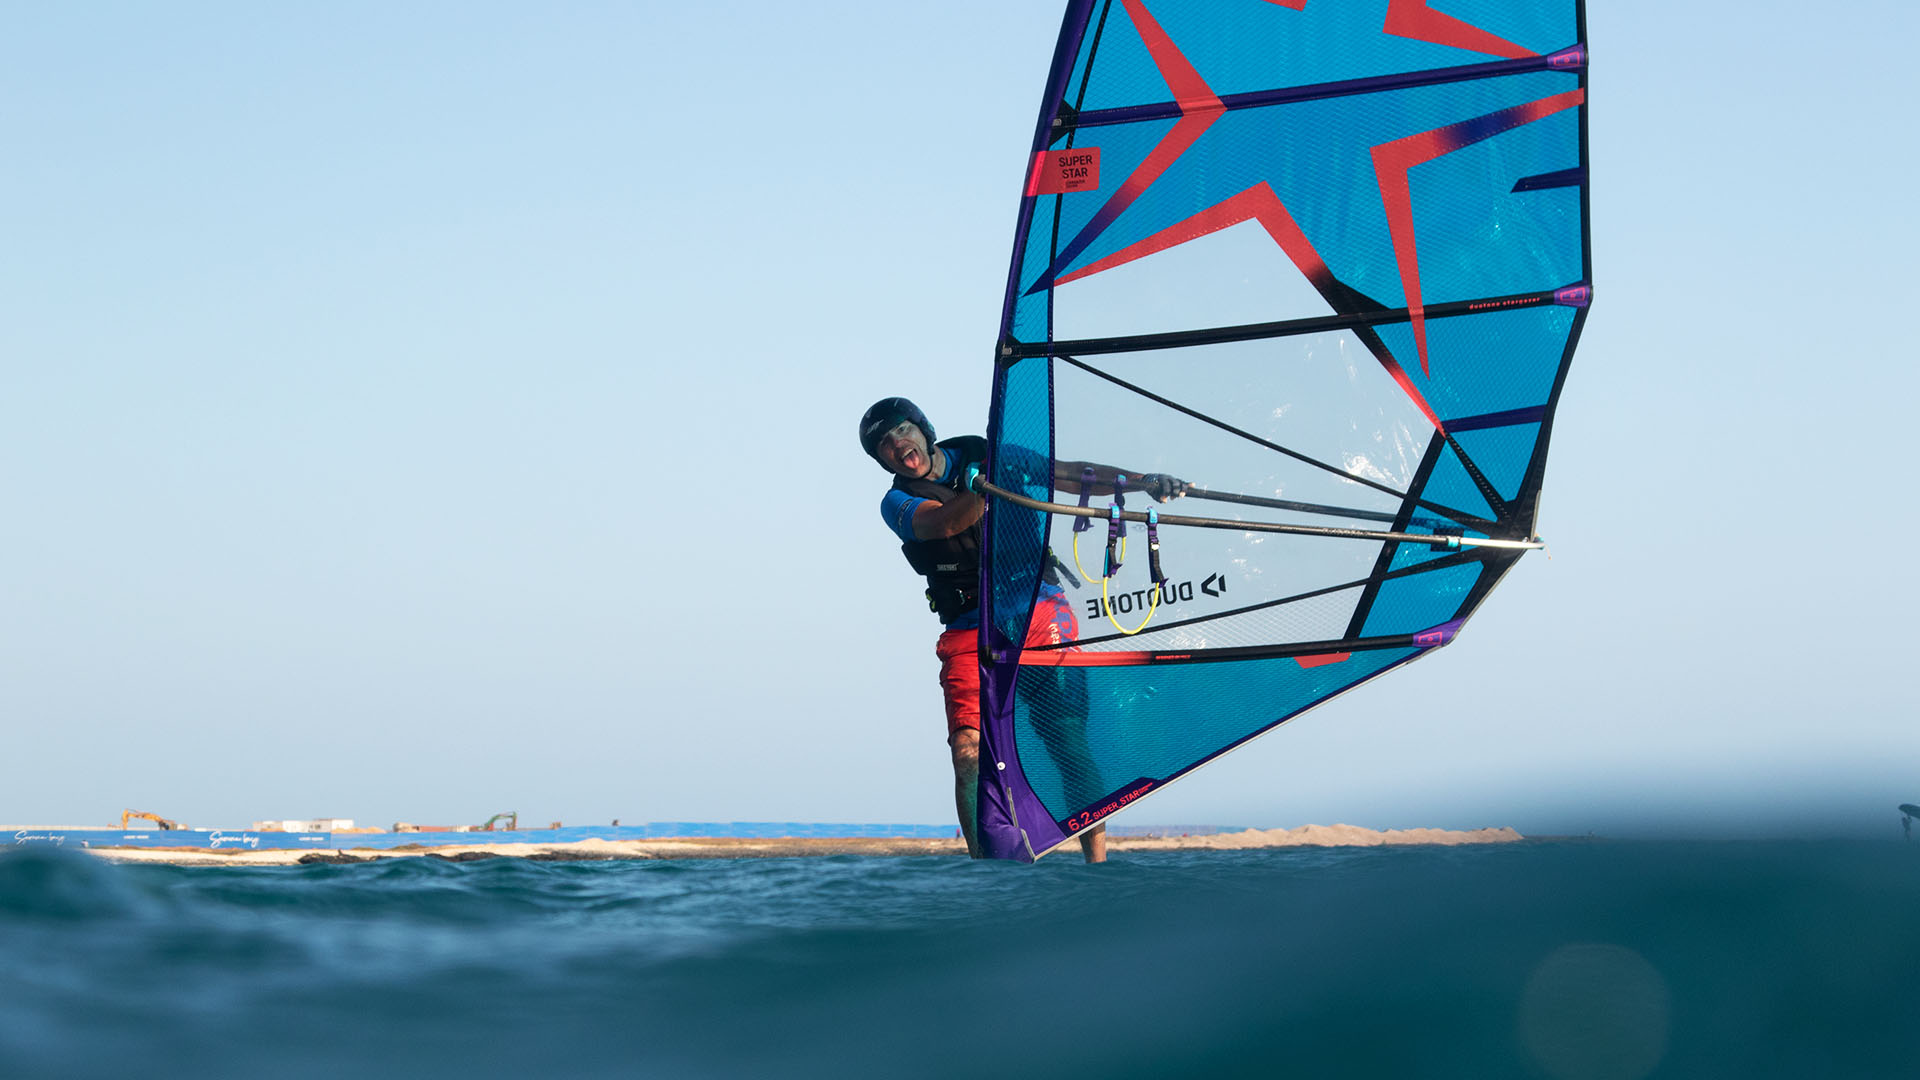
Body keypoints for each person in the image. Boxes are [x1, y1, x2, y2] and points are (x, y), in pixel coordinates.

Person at [860, 396, 1186, 863]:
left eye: (902, 431)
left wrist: (1142, 482)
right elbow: (942, 522)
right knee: (967, 750)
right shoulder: (896, 501)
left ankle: (1097, 863)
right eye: (884, 446)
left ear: (922, 428)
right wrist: (987, 491)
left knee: (1066, 737)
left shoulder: (990, 454)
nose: (898, 445)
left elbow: (1072, 474)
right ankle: (984, 866)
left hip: (1037, 609)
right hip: (970, 628)